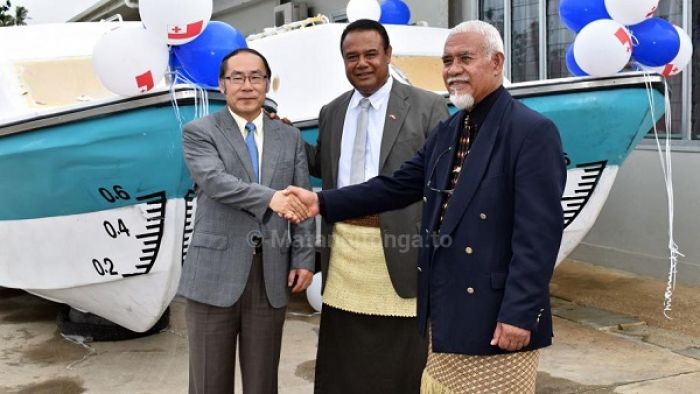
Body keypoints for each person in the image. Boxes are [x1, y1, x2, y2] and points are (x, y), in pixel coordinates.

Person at [286, 20, 566, 393]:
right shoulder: (449, 131)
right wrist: (321, 201)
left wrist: (519, 313)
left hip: (499, 315)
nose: (453, 70)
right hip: (447, 309)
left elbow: (539, 236)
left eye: (465, 58)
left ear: (497, 62)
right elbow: (397, 186)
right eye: (447, 61)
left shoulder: (530, 131)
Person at [305, 19, 449, 394]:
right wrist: (280, 132)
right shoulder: (332, 112)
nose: (362, 63)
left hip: (401, 251)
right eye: (351, 56)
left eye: (371, 54)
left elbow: (445, 182)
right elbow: (324, 167)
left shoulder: (428, 106)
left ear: (388, 55)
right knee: (344, 359)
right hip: (345, 253)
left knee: (401, 358)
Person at [179, 48, 315, 394]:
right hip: (213, 274)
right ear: (222, 85)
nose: (247, 85)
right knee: (209, 381)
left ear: (268, 84)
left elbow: (300, 201)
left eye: (256, 77)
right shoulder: (200, 132)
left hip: (270, 274)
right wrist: (270, 198)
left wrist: (303, 259)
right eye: (237, 77)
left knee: (262, 382)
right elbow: (215, 181)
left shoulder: (289, 136)